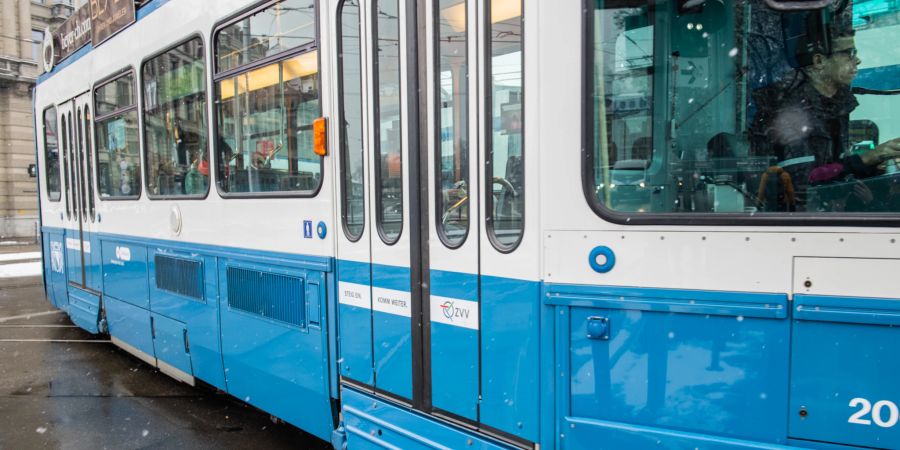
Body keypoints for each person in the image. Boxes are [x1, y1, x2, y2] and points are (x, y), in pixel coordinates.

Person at [751, 28, 900, 211]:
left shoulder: (834, 107)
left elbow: (835, 170)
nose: (857, 60)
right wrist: (866, 159)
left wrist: (877, 166)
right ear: (819, 61)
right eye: (848, 53)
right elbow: (803, 185)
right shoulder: (790, 114)